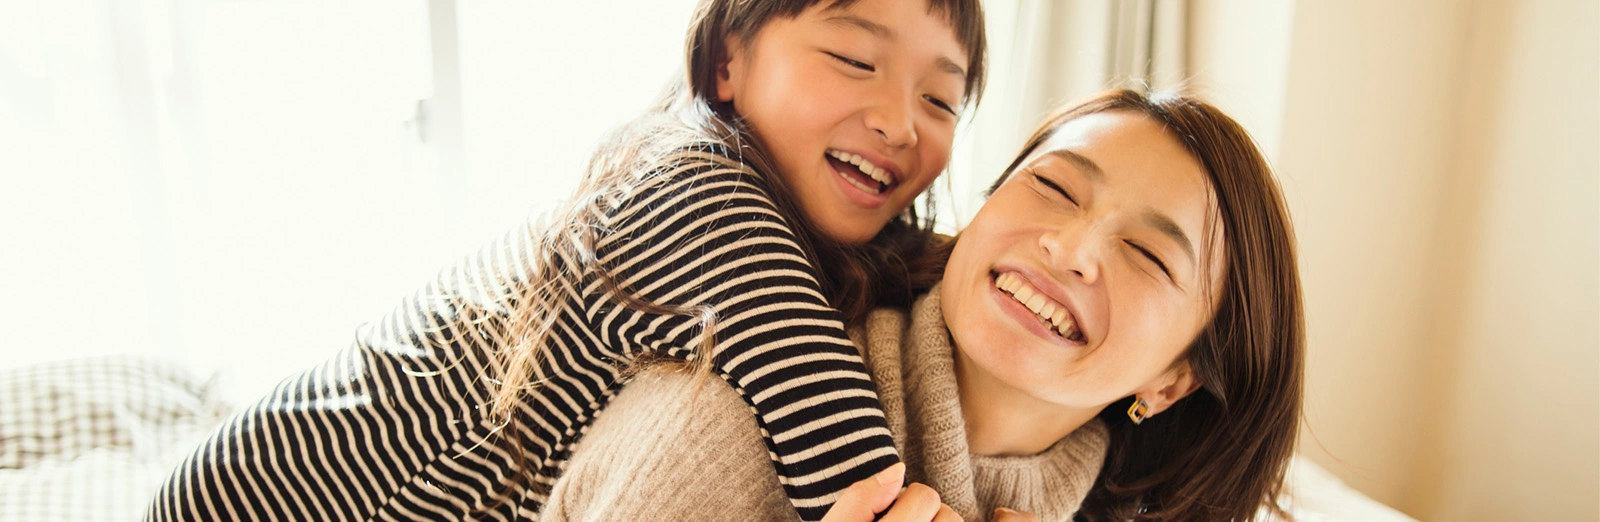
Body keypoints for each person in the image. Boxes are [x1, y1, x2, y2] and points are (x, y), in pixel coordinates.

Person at [145, 0, 987, 520]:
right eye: (854, 59)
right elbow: (863, 487)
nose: (900, 122)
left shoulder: (811, 229)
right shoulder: (697, 189)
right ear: (728, 61)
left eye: (940, 99)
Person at [534, 89, 1306, 522]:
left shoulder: (1112, 508)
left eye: (1146, 254)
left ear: (1173, 381)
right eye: (1054, 187)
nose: (1070, 247)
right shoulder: (728, 419)